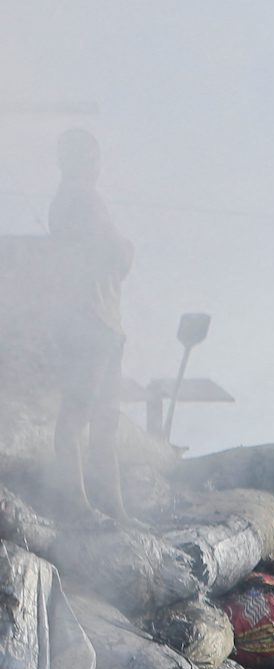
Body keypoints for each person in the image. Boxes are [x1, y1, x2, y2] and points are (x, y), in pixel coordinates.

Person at [47, 128, 134, 526]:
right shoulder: (82, 199)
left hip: (100, 318)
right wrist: (126, 250)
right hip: (90, 318)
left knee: (103, 420)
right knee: (81, 414)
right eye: (92, 157)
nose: (97, 165)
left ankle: (112, 507)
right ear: (79, 160)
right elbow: (118, 252)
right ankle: (77, 505)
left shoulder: (70, 201)